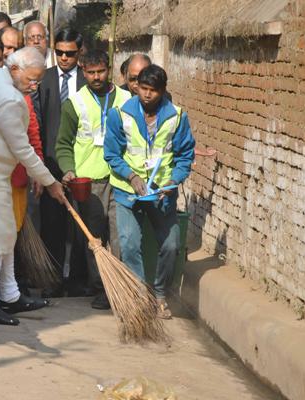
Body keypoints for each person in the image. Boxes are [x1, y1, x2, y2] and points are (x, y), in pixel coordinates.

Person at [0, 47, 67, 326]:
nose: (33, 87)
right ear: (14, 69)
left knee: (4, 235)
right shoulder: (10, 99)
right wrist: (50, 181)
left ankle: (9, 294)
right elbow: (22, 148)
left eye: (37, 81)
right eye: (31, 80)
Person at [104, 64, 195, 319]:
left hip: (161, 194)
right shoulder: (120, 114)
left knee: (171, 245)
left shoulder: (177, 116)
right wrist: (131, 176)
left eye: (152, 91)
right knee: (130, 243)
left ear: (163, 91)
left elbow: (185, 156)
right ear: (135, 87)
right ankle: (141, 295)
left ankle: (159, 295)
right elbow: (111, 153)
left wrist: (173, 181)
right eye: (142, 89)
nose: (146, 95)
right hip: (127, 192)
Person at [55, 49, 131, 309]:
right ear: (83, 72)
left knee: (120, 235)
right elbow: (63, 144)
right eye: (90, 72)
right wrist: (68, 169)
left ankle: (121, 284)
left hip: (122, 179)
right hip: (89, 182)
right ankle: (101, 287)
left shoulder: (127, 99)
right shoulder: (74, 103)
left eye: (100, 72)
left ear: (109, 69)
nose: (96, 77)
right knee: (94, 239)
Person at [34, 29, 86, 296]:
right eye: (60, 53)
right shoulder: (45, 79)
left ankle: (77, 279)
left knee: (80, 225)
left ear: (80, 52)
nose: (64, 58)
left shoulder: (89, 80)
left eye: (70, 53)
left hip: (83, 164)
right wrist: (40, 166)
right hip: (50, 165)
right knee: (52, 224)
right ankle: (52, 279)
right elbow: (37, 123)